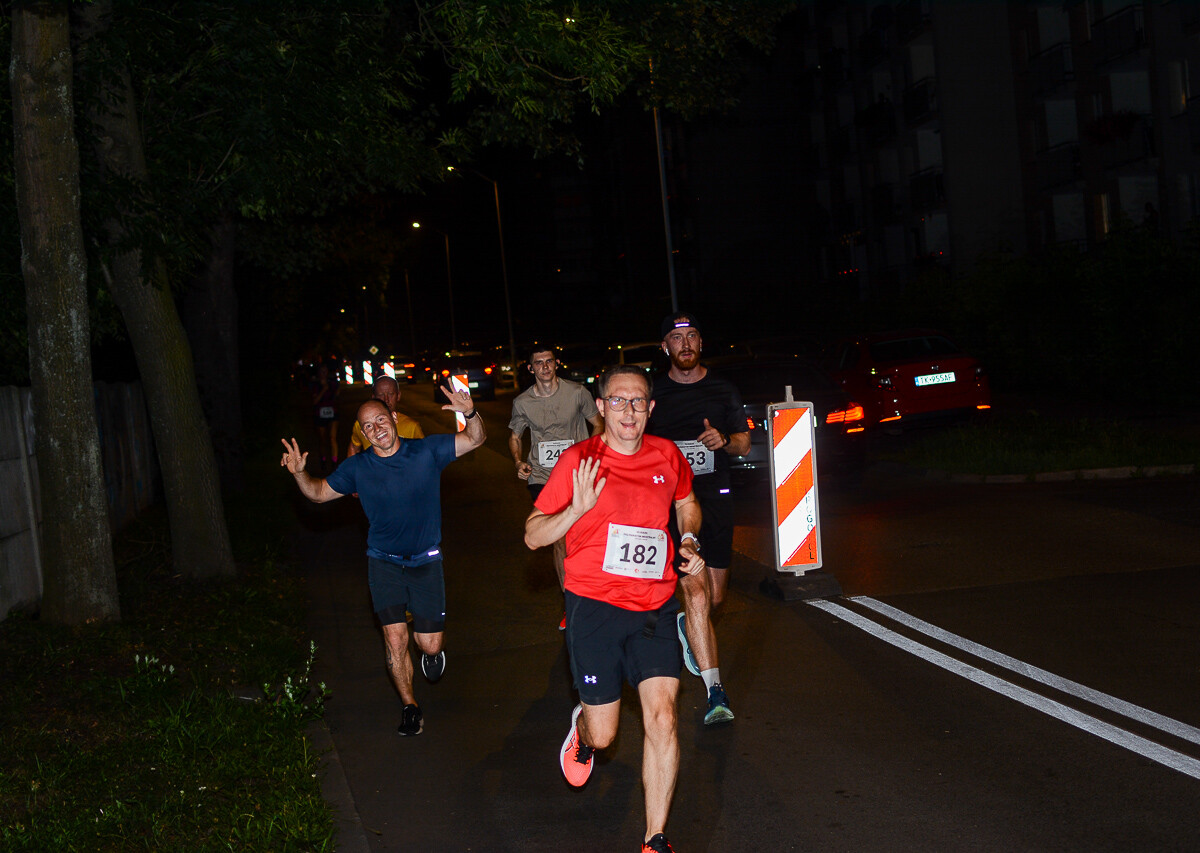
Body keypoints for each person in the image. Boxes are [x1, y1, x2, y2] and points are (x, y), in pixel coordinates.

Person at [525, 365, 703, 853]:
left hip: (655, 606)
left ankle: (655, 838)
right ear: (600, 408)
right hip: (595, 609)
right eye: (618, 401)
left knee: (663, 718)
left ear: (651, 407)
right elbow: (534, 535)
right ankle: (581, 731)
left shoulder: (667, 454)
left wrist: (687, 535)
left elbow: (687, 500)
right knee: (605, 738)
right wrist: (575, 510)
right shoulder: (579, 461)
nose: (629, 410)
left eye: (639, 401)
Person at [281, 385, 485, 736]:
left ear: (393, 418)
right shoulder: (356, 468)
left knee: (428, 643)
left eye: (380, 419)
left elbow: (475, 439)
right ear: (362, 433)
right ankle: (410, 706)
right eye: (367, 426)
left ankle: (432, 654)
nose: (376, 428)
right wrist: (300, 472)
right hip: (383, 562)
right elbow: (316, 493)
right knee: (395, 639)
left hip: (426, 561)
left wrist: (469, 413)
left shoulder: (426, 451)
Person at [647, 312, 750, 727]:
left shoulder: (723, 389)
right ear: (665, 348)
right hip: (672, 504)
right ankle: (716, 692)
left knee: (715, 597)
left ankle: (687, 625)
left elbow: (744, 443)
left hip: (717, 497)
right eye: (676, 338)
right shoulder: (654, 394)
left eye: (691, 337)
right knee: (694, 588)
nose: (685, 344)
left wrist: (724, 440)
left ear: (701, 343)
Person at [508, 345, 603, 628]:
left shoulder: (577, 393)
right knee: (559, 539)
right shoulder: (522, 402)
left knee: (584, 534)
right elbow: (515, 436)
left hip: (577, 474)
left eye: (549, 361)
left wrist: (588, 452)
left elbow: (597, 424)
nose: (545, 367)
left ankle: (595, 593)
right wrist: (517, 462)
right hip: (542, 477)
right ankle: (571, 604)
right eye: (539, 363)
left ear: (556, 364)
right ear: (531, 368)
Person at [347, 375, 423, 458]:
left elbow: (424, 454)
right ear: (374, 398)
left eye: (391, 394)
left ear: (398, 396)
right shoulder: (361, 425)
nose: (386, 399)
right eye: (381, 395)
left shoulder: (411, 426)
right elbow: (354, 448)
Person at [310, 362, 340, 470]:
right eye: (322, 371)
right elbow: (314, 401)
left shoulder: (332, 383)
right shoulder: (315, 385)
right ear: (318, 373)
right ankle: (323, 460)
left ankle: (334, 462)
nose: (324, 373)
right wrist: (323, 390)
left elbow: (336, 395)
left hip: (332, 413)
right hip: (320, 414)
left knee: (332, 438)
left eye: (325, 371)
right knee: (322, 439)